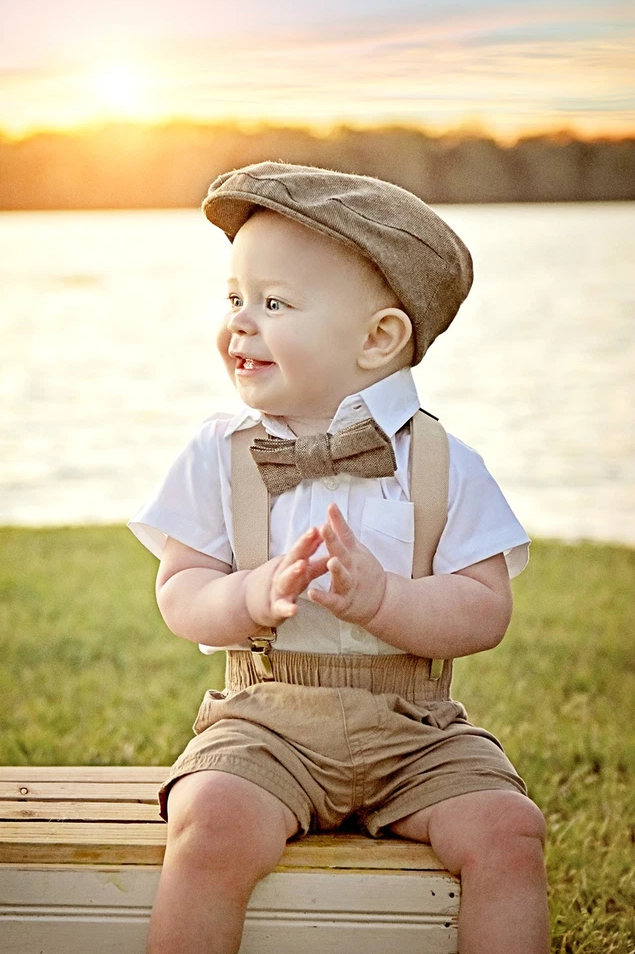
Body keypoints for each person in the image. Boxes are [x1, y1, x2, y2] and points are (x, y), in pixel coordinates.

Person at [128, 161, 549, 954]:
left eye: (274, 302)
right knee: (212, 817)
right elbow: (179, 591)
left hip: (414, 729)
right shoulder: (219, 454)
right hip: (266, 724)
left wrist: (385, 599)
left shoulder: (441, 460)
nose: (241, 323)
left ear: (378, 338)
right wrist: (249, 595)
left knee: (506, 828)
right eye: (234, 299)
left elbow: (484, 609)